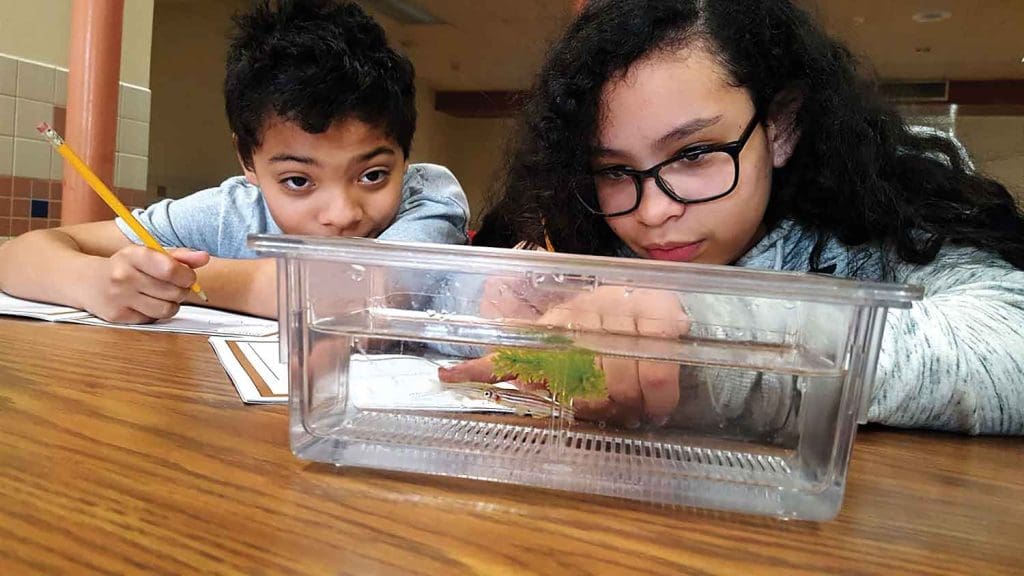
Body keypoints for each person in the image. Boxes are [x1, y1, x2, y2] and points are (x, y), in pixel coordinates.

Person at [444, 0, 1024, 435]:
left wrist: (701, 339)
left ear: (781, 127)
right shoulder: (587, 226)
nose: (652, 212)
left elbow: (1007, 345)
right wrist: (517, 313)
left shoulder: (892, 194)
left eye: (694, 155)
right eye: (615, 171)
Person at [0, 0, 468, 323]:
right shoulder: (232, 213)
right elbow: (15, 257)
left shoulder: (426, 197)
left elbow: (361, 293)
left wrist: (185, 279)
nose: (343, 213)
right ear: (248, 160)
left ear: (406, 157)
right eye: (298, 180)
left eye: (372, 175)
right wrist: (92, 282)